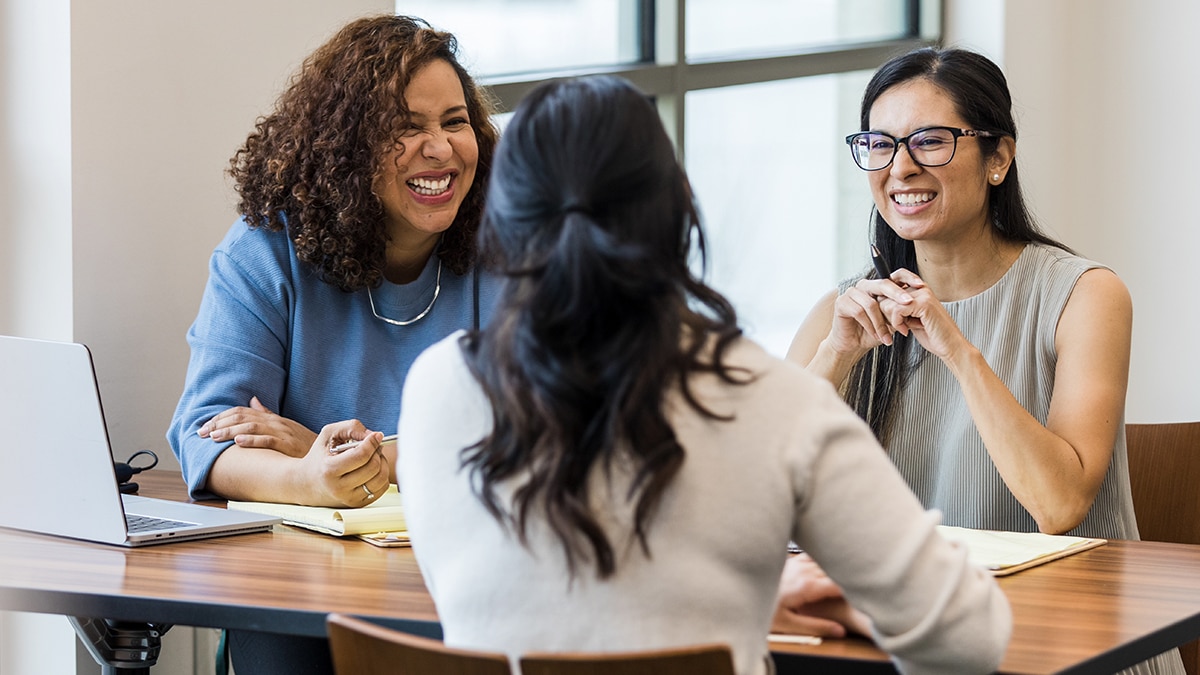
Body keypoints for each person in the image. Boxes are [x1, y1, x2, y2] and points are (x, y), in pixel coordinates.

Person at [397, 74, 1011, 675]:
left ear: (502, 219)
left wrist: (720, 597)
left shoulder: (438, 385)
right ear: (678, 209)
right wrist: (767, 598)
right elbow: (970, 639)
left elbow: (542, 599)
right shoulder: (767, 401)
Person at [782, 46, 1184, 675]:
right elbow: (758, 503)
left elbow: (1058, 506)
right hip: (914, 649)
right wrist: (835, 356)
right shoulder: (841, 315)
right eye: (880, 145)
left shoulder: (1085, 295)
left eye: (931, 142)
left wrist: (958, 351)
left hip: (1077, 646)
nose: (901, 168)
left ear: (998, 158)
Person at [165, 14, 499, 675]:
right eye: (407, 128)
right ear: (345, 147)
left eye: (455, 122)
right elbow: (206, 432)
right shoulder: (263, 252)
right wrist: (307, 477)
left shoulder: (510, 247)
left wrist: (352, 451)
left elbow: (537, 433)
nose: (440, 149)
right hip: (304, 588)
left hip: (478, 567)